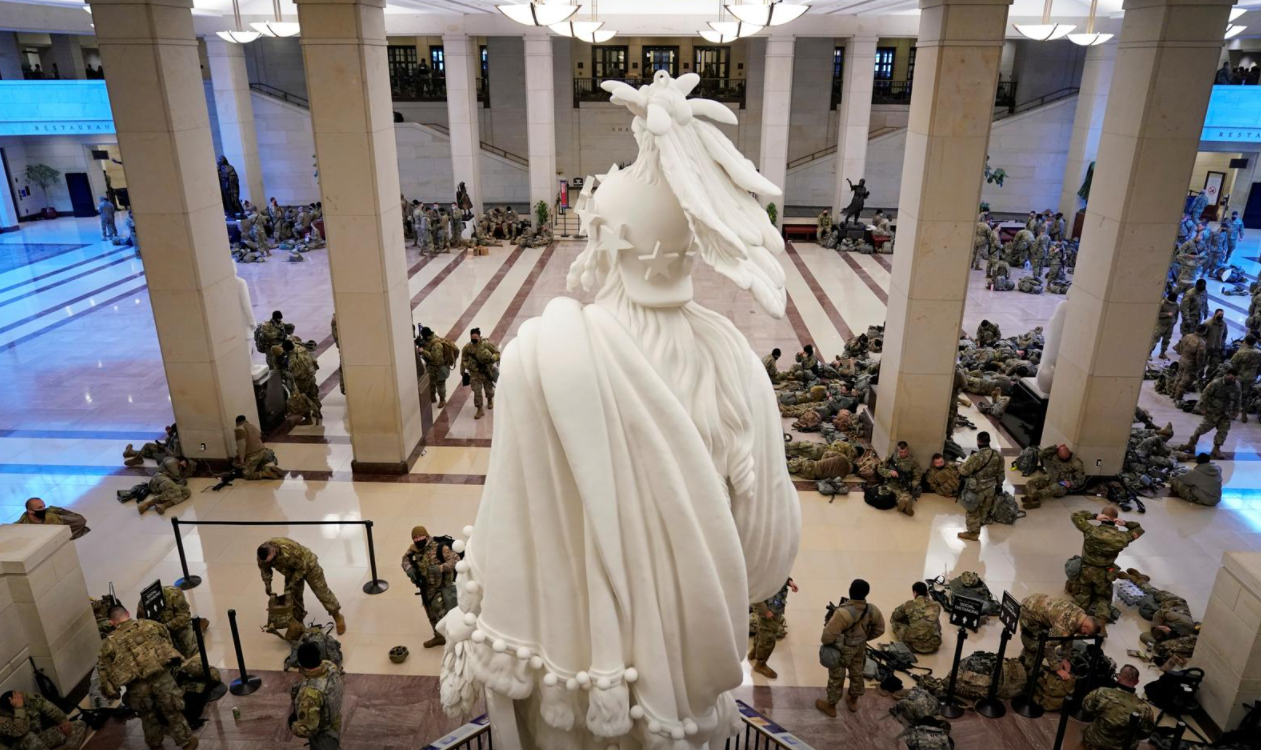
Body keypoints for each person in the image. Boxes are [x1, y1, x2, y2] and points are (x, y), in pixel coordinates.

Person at [96, 605, 199, 750]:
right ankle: (186, 741)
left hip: (136, 686)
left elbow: (103, 669)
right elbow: (166, 640)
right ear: (128, 613)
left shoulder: (109, 643)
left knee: (147, 716)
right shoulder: (150, 624)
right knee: (172, 709)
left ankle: (155, 744)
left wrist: (112, 692)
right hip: (161, 676)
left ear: (112, 622)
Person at [816, 579, 885, 716]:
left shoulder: (842, 613)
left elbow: (827, 637)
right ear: (866, 593)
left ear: (850, 591)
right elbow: (880, 629)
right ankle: (853, 700)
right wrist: (864, 638)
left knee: (837, 676)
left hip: (842, 650)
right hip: (859, 648)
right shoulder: (872, 610)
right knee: (857, 673)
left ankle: (831, 705)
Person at [1070, 507, 1145, 621]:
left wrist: (1094, 516)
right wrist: (1125, 523)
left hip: (1086, 570)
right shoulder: (1123, 537)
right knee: (1103, 598)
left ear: (1102, 517)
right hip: (1106, 572)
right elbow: (1139, 529)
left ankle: (1077, 620)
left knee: (1083, 594)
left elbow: (1075, 515)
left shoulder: (1090, 530)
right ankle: (1102, 624)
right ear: (1115, 519)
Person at [258, 538, 346, 634]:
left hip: (309, 566)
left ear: (273, 551)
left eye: (269, 560)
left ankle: (337, 616)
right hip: (290, 572)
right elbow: (265, 569)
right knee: (292, 597)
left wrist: (292, 582)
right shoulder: (262, 555)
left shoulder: (290, 550)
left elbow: (302, 568)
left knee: (322, 592)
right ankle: (299, 624)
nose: (268, 562)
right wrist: (267, 583)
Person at [401, 526, 460, 648]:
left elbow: (456, 559)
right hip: (426, 588)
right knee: (431, 614)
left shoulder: (439, 548)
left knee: (444, 613)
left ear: (426, 536)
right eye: (415, 538)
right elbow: (405, 560)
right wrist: (409, 568)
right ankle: (439, 637)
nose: (418, 539)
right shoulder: (413, 550)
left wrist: (441, 568)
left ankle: (453, 638)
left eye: (420, 536)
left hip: (442, 588)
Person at [1017, 593, 1098, 672]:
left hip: (1036, 601)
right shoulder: (1064, 624)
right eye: (1086, 633)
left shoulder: (1079, 614)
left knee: (1046, 639)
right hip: (1028, 612)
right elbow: (1047, 646)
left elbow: (1069, 635)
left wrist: (1065, 658)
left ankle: (1024, 659)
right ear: (1086, 626)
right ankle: (1028, 667)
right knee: (1038, 645)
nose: (1084, 634)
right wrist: (1057, 669)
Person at [1080, 665, 1154, 750]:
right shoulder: (1145, 708)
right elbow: (1146, 732)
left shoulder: (1101, 692)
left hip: (1095, 742)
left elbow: (1086, 709)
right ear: (1137, 682)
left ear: (1119, 677)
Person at [288, 642, 343, 750]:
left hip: (322, 735)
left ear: (301, 662)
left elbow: (307, 728)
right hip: (335, 721)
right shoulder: (330, 667)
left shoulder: (311, 693)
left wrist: (292, 724)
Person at [1177, 368, 1242, 459]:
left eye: (1235, 379)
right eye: (1231, 378)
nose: (1233, 380)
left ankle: (1216, 449)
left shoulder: (1236, 386)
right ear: (1226, 374)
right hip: (1213, 412)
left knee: (1223, 432)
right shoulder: (1215, 383)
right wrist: (1202, 408)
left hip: (1226, 414)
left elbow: (1238, 399)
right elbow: (1205, 395)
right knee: (1202, 429)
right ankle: (1191, 444)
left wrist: (1236, 411)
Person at [0, 690, 87, 750]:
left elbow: (49, 708)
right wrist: (19, 709)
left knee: (79, 724)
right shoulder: (2, 718)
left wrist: (63, 721)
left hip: (38, 739)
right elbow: (20, 732)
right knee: (29, 737)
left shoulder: (26, 698)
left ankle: (70, 748)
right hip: (19, 746)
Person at [957, 431, 1004, 541]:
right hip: (990, 488)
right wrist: (999, 485)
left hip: (976, 489)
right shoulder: (997, 455)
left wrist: (960, 466)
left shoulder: (976, 457)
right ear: (989, 441)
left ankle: (973, 533)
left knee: (972, 510)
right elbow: (1001, 473)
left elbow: (964, 472)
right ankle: (979, 524)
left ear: (978, 441)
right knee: (984, 508)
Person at [749, 578, 797, 679]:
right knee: (768, 637)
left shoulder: (772, 564)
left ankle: (754, 652)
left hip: (774, 605)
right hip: (767, 609)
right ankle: (760, 664)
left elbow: (777, 573)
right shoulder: (762, 567)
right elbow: (754, 590)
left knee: (763, 630)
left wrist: (788, 581)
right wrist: (764, 610)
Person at [139, 584, 200, 658]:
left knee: (189, 652)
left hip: (178, 627)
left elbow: (184, 616)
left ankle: (198, 628)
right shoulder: (143, 605)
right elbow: (142, 624)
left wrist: (166, 627)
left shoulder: (174, 594)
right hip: (160, 632)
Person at [1023, 444, 1086, 510]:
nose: (1064, 459)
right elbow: (1041, 454)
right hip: (1049, 478)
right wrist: (1054, 448)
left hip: (1062, 483)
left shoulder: (1077, 463)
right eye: (1061, 457)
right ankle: (1035, 501)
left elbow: (1080, 481)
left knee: (1055, 486)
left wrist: (1070, 483)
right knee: (1031, 482)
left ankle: (1035, 495)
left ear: (1069, 453)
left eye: (1066, 458)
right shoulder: (1055, 455)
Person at [890, 581, 942, 654]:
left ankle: (911, 642)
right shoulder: (936, 605)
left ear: (914, 593)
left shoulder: (909, 604)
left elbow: (895, 616)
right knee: (935, 620)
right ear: (926, 592)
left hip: (914, 646)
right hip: (934, 646)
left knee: (895, 623)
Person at [460, 327, 500, 420]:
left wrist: (492, 358)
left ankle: (490, 400)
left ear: (479, 336)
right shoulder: (467, 347)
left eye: (475, 337)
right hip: (474, 373)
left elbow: (497, 353)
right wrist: (465, 368)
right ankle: (479, 409)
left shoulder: (486, 344)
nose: (474, 339)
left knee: (488, 388)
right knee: (476, 391)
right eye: (472, 337)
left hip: (486, 371)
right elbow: (464, 358)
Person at [878, 441, 923, 516]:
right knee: (892, 495)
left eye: (905, 452)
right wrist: (890, 472)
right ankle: (902, 504)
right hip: (892, 484)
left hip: (905, 485)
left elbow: (917, 475)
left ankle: (905, 503)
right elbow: (879, 468)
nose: (903, 454)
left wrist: (913, 484)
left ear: (908, 450)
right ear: (897, 450)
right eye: (901, 452)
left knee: (906, 496)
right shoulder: (891, 458)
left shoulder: (912, 461)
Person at [14, 496, 90, 539]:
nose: (43, 509)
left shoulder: (52, 517)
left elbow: (80, 521)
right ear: (30, 511)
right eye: (40, 508)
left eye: (44, 506)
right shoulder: (22, 525)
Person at [418, 326, 457, 409]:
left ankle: (442, 399)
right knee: (431, 384)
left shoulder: (436, 344)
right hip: (431, 367)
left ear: (427, 336)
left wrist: (423, 351)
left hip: (439, 368)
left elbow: (435, 359)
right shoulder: (428, 341)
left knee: (440, 384)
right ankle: (432, 397)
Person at [1171, 324, 1208, 402]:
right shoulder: (1201, 343)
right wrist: (1200, 366)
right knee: (1185, 382)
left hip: (1182, 360)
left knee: (1179, 376)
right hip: (1191, 364)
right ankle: (1178, 398)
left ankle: (1173, 393)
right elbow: (1200, 357)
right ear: (1204, 331)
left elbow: (1179, 347)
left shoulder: (1187, 336)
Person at [1150, 291, 1179, 360]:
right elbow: (1157, 314)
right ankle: (1149, 353)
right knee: (1155, 339)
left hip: (1170, 326)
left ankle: (1162, 353)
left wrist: (1174, 321)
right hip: (1161, 325)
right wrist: (1166, 314)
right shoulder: (1162, 303)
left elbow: (1176, 315)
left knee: (1166, 340)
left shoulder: (1176, 305)